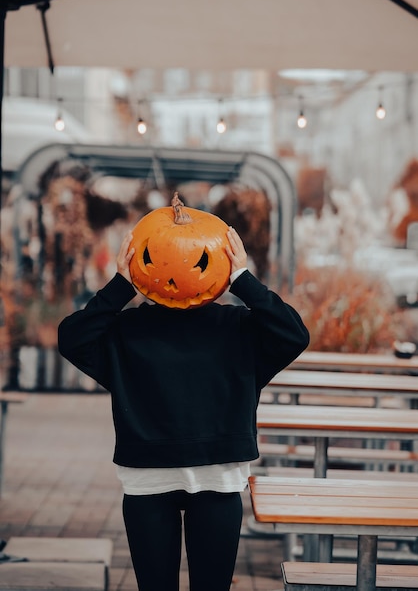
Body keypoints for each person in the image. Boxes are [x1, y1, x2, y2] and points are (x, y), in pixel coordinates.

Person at [58, 225, 309, 591]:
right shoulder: (239, 328)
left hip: (165, 478)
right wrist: (242, 279)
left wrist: (121, 286)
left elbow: (73, 336)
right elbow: (292, 333)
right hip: (201, 477)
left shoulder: (126, 330)